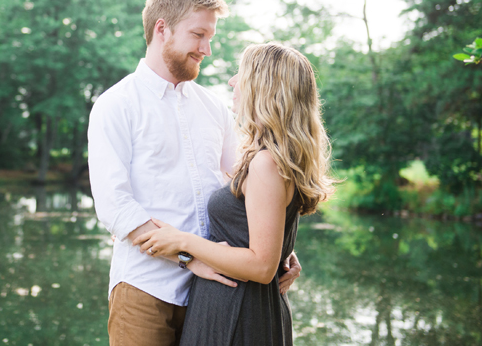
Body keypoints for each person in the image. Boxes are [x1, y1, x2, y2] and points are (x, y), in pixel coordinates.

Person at [88, 0, 301, 346]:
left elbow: (247, 185)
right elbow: (115, 207)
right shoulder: (116, 105)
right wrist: (188, 257)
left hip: (214, 293)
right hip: (146, 288)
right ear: (162, 29)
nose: (207, 49)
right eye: (198, 35)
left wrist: (278, 245)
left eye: (210, 37)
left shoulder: (214, 107)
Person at [133, 43, 336, 345]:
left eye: (240, 73)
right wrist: (282, 250)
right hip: (240, 306)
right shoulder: (273, 156)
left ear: (262, 86)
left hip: (238, 313)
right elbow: (260, 233)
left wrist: (184, 241)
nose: (232, 81)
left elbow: (262, 266)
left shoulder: (267, 162)